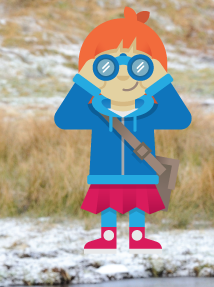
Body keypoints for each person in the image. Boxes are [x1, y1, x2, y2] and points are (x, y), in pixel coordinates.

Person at [55, 7, 191, 253]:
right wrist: (85, 81)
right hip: (104, 173)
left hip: (141, 173)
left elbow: (181, 117)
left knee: (138, 205)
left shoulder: (150, 111)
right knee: (108, 205)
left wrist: (160, 81)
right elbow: (64, 117)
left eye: (139, 66)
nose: (124, 76)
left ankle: (138, 238)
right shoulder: (95, 111)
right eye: (107, 67)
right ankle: (107, 239)